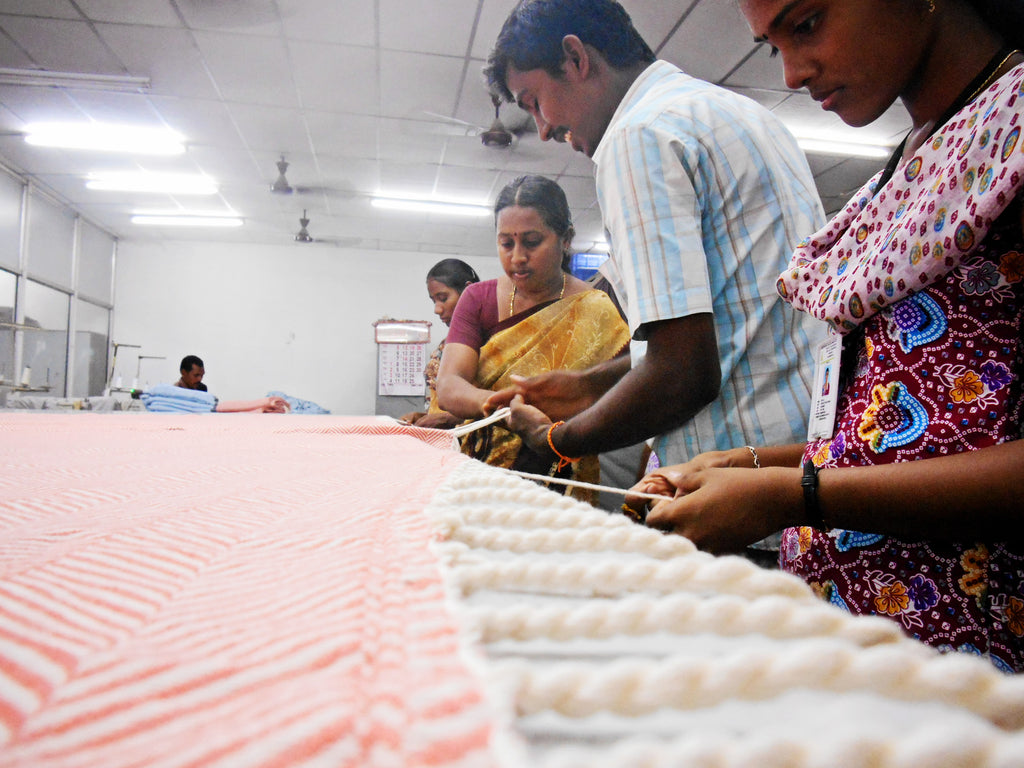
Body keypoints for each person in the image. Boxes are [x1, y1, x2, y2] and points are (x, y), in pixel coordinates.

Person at [629, 0, 1024, 672]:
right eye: (769, 45)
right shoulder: (903, 175)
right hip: (874, 653)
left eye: (807, 23)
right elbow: (897, 433)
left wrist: (798, 495)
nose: (790, 73)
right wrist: (746, 464)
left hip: (980, 667)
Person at [483, 0, 827, 523]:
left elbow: (684, 373)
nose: (544, 127)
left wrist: (555, 438)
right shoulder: (745, 114)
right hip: (802, 467)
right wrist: (590, 384)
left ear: (575, 58)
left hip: (732, 497)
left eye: (534, 101)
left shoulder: (638, 136)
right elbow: (727, 326)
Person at [436, 174, 629, 494]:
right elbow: (450, 385)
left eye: (531, 241)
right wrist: (509, 409)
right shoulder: (477, 299)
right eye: (506, 243)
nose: (517, 257)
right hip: (478, 471)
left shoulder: (597, 309)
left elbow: (618, 399)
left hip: (560, 469)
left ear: (565, 239)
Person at [401, 259, 481, 429]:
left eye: (443, 298)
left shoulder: (489, 341)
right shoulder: (448, 344)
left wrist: (451, 420)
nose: (437, 309)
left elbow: (501, 406)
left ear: (468, 291)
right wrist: (423, 416)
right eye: (434, 301)